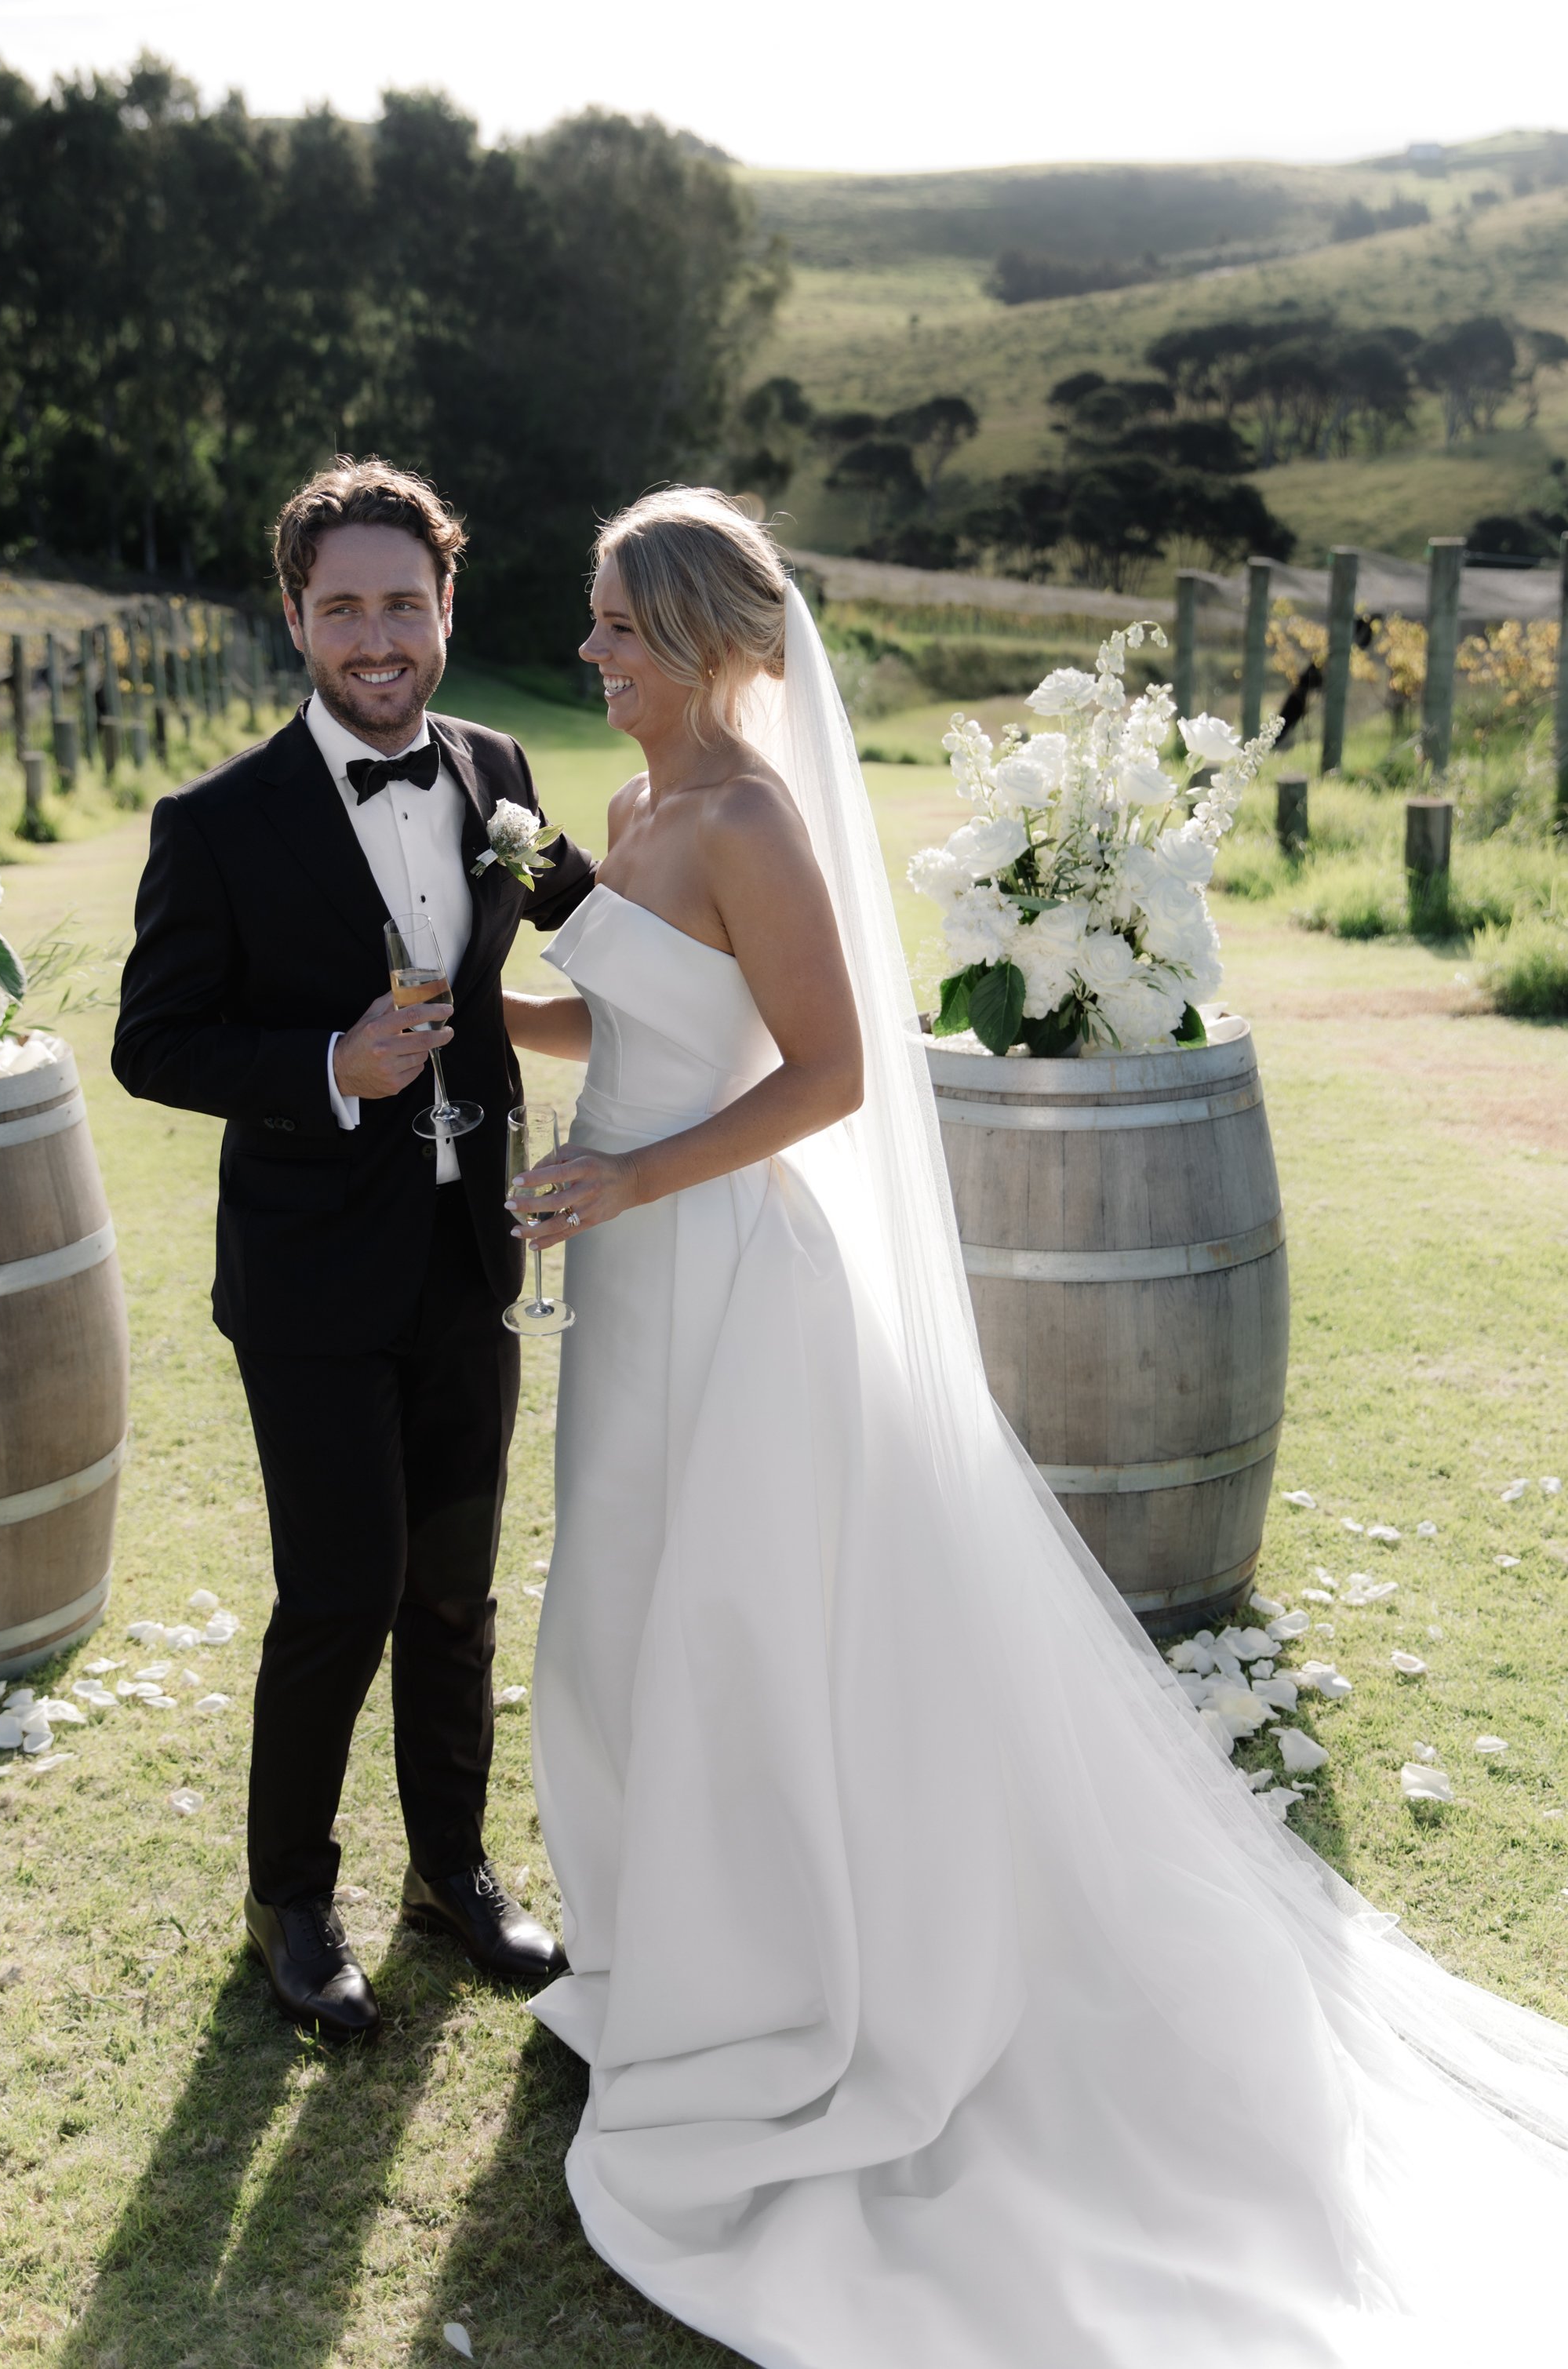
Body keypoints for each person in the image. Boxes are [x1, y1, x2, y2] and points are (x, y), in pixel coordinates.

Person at [503, 487, 1568, 2367]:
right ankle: (661, 1955)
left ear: (708, 641)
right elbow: (654, 1018)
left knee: (737, 1632)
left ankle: (782, 1983)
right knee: (613, 1612)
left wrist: (636, 1177)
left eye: (619, 626)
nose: (592, 651)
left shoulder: (751, 821)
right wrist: (498, 1019)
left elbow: (832, 1074)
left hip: (730, 1279)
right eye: (592, 619)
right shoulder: (634, 808)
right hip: (630, 1286)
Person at [112, 458, 595, 2043]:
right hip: (311, 1278)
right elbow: (153, 1041)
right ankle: (291, 1897)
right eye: (342, 609)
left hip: (474, 1251)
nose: (376, 638)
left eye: (403, 602)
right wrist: (329, 1062)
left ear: (446, 606)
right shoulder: (215, 822)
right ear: (296, 618)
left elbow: (587, 919)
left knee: (453, 1587)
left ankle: (452, 1871)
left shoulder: (497, 769)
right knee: (340, 1590)